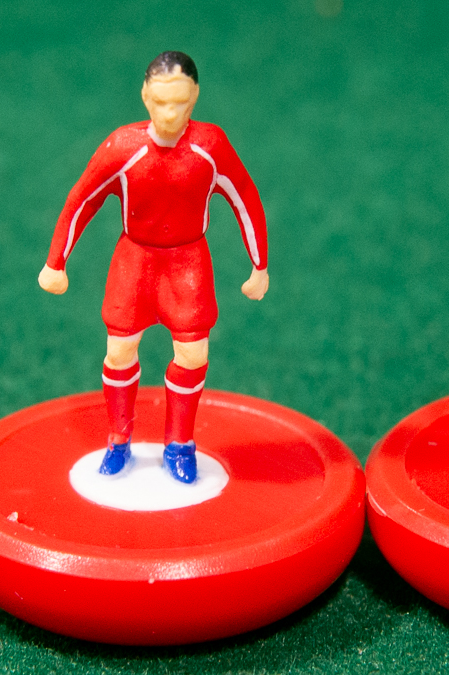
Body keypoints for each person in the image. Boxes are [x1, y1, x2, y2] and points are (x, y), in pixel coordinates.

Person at [39, 51, 269, 483]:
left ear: (194, 97)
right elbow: (81, 199)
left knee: (194, 354)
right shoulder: (123, 147)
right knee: (119, 351)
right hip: (135, 262)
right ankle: (118, 439)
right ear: (145, 96)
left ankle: (179, 444)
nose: (170, 113)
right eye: (161, 102)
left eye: (180, 103)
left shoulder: (210, 147)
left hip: (188, 264)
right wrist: (56, 262)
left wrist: (259, 265)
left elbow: (245, 196)